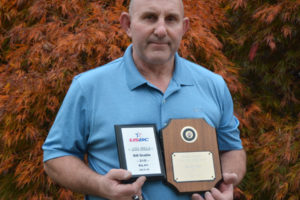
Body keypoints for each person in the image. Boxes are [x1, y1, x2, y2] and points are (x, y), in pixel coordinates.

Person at [42, 0, 246, 199]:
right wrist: (100, 186)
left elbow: (232, 149)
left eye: (171, 19)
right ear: (127, 25)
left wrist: (224, 183)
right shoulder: (89, 87)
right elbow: (56, 156)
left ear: (184, 27)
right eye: (150, 18)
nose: (161, 30)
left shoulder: (213, 85)